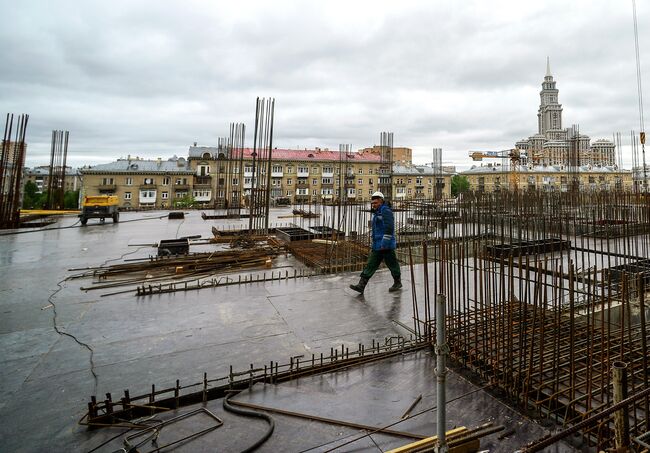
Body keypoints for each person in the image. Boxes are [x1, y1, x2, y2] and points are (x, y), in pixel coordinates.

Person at [349, 191, 402, 294]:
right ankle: (361, 285)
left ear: (381, 201)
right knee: (371, 264)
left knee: (392, 264)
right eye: (372, 203)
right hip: (378, 245)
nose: (373, 205)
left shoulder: (385, 211)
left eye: (376, 203)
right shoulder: (377, 212)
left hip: (386, 245)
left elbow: (389, 227)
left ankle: (397, 282)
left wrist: (385, 242)